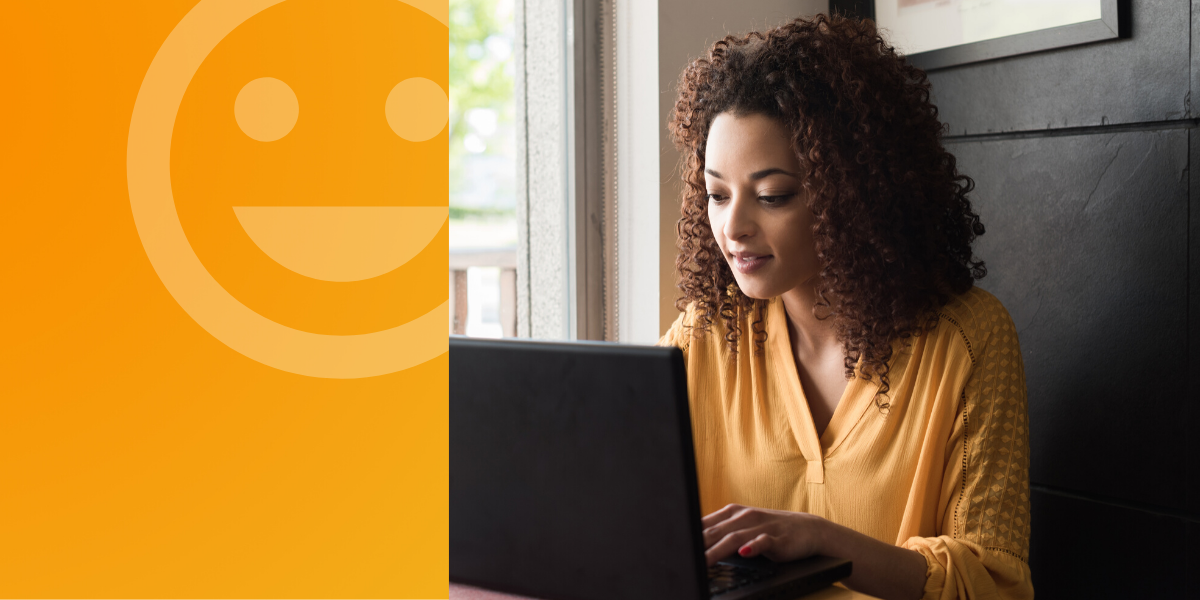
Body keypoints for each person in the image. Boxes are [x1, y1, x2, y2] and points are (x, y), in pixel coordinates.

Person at [658, 14, 1032, 600]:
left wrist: (826, 543)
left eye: (772, 195)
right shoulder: (703, 338)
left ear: (852, 191)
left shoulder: (967, 340)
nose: (732, 227)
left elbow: (991, 582)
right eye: (716, 194)